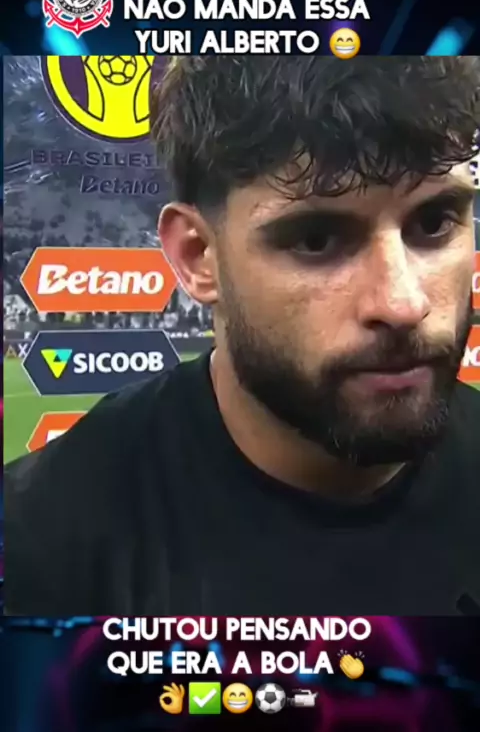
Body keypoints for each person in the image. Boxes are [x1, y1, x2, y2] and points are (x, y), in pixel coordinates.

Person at [5, 55, 480, 616]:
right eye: (316, 239)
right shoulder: (40, 542)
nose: (403, 304)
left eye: (433, 223)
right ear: (198, 257)